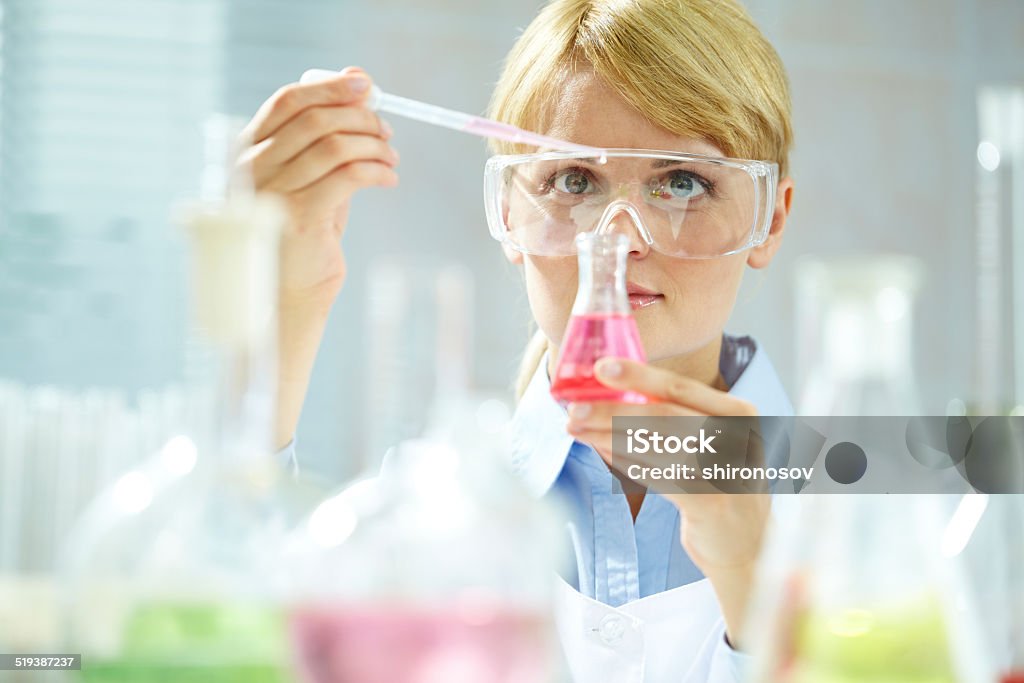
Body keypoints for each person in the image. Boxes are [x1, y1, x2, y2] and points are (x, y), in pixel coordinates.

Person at [239, 0, 794, 679]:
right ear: (508, 209)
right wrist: (283, 304)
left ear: (770, 219)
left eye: (683, 183)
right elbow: (229, 636)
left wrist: (759, 600)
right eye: (573, 180)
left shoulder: (890, 494)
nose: (616, 240)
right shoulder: (420, 510)